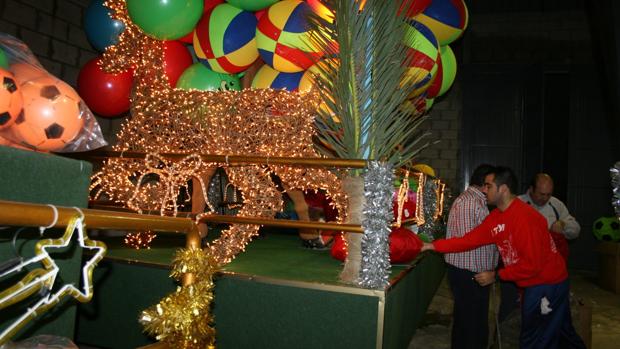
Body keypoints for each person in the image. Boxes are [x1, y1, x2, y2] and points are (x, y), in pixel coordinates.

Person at [422, 166, 585, 349]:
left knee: (536, 338)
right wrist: (431, 246)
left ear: (503, 189)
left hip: (546, 284)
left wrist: (496, 275)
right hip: (533, 283)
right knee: (562, 333)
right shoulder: (497, 217)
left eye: (488, 186)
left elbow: (532, 265)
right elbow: (468, 240)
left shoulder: (526, 218)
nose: (484, 190)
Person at [444, 164, 498, 349]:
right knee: (468, 324)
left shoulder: (478, 201)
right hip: (468, 273)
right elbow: (468, 242)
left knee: (473, 322)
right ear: (484, 185)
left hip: (476, 274)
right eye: (492, 184)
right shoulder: (469, 202)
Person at [519, 173, 581, 262]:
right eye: (541, 194)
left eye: (548, 194)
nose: (545, 198)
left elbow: (576, 231)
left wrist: (563, 224)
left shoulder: (556, 204)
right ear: (531, 189)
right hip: (523, 262)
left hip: (549, 263)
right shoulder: (517, 204)